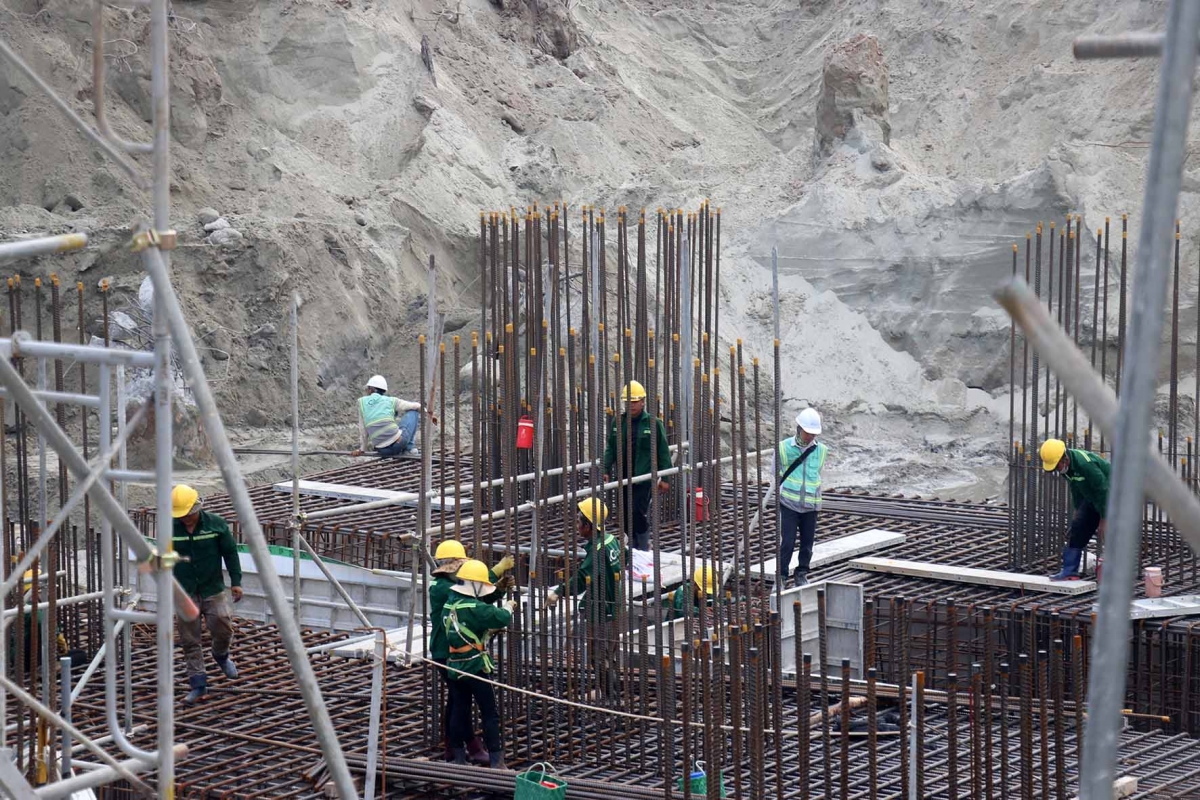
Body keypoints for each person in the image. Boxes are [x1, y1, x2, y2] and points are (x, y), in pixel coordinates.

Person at [428, 540, 513, 763]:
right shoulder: (442, 588)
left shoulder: (450, 589)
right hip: (446, 652)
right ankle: (472, 749)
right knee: (464, 705)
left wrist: (497, 589)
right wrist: (493, 575)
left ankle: (456, 749)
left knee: (457, 702)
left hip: (452, 653)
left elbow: (476, 600)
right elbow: (477, 604)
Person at [171, 484, 243, 705]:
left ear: (197, 507)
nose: (186, 519)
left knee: (222, 626)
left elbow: (230, 553)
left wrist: (236, 582)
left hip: (213, 587)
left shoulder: (216, 525)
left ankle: (221, 655)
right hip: (185, 591)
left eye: (188, 514)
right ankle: (198, 684)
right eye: (181, 516)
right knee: (190, 640)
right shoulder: (170, 528)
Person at [603, 380, 671, 551]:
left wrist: (666, 478)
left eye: (634, 402)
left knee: (636, 512)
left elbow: (663, 452)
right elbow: (611, 447)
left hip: (643, 478)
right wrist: (605, 469)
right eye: (628, 402)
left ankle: (641, 547)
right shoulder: (618, 423)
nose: (631, 405)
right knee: (625, 513)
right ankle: (633, 544)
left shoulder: (654, 423)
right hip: (623, 476)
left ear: (642, 402)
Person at [1041, 439, 1110, 581]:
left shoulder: (1085, 464)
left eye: (1057, 467)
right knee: (1078, 528)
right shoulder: (1066, 468)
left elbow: (1103, 490)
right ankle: (1070, 571)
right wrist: (1078, 513)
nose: (1057, 470)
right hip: (1092, 497)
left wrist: (1104, 518)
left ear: (1065, 459)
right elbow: (1077, 489)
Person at [775, 408, 828, 588]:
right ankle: (781, 577)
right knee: (787, 542)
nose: (810, 437)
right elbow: (774, 474)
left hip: (811, 506)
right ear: (799, 429)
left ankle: (801, 574)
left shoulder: (821, 451)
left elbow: (817, 475)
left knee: (807, 544)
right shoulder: (783, 448)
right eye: (808, 433)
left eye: (813, 434)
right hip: (789, 504)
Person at [546, 499, 622, 622]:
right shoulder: (612, 539)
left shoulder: (597, 550)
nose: (576, 526)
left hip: (602, 606)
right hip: (615, 598)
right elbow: (626, 556)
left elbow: (581, 578)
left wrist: (558, 592)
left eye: (578, 522)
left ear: (587, 526)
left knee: (593, 637)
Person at [351, 374, 426, 458]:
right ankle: (409, 449)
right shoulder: (390, 400)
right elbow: (415, 406)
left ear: (371, 389)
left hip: (383, 451)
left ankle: (404, 448)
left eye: (368, 388)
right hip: (398, 443)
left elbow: (363, 430)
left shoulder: (362, 403)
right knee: (413, 412)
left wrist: (362, 449)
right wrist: (428, 412)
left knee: (394, 416)